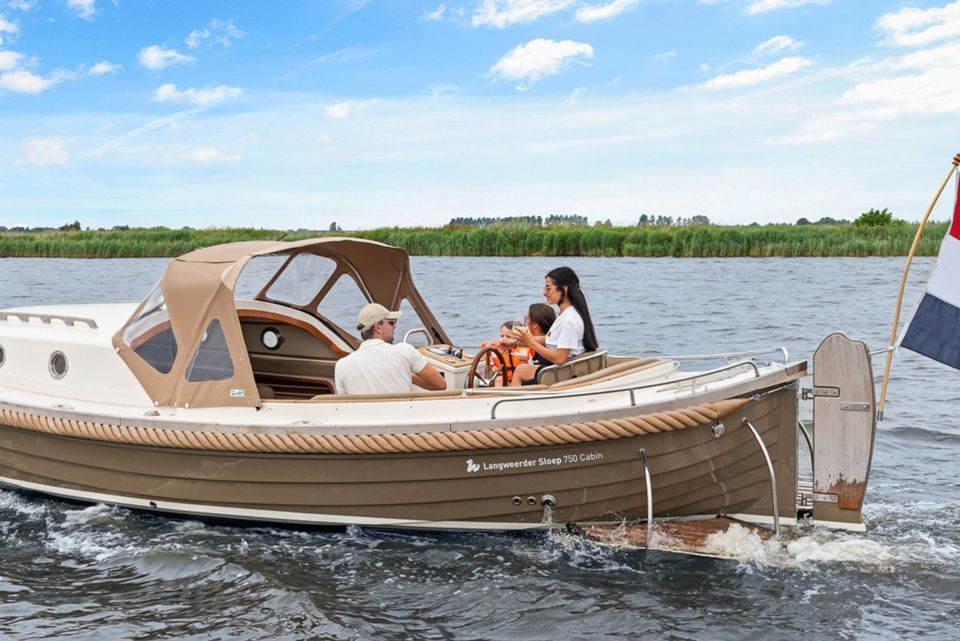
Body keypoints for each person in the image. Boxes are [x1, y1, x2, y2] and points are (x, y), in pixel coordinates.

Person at [511, 267, 599, 386]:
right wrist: (518, 342)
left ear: (564, 289)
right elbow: (552, 339)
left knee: (520, 372)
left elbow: (560, 359)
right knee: (521, 369)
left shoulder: (569, 320)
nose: (544, 293)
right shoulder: (567, 314)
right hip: (562, 370)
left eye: (548, 288)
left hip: (562, 374)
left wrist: (531, 343)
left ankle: (513, 397)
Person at [334, 303, 447, 395]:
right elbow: (441, 385)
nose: (395, 326)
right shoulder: (405, 351)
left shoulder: (341, 366)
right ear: (377, 327)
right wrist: (407, 374)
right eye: (391, 322)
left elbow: (344, 405)